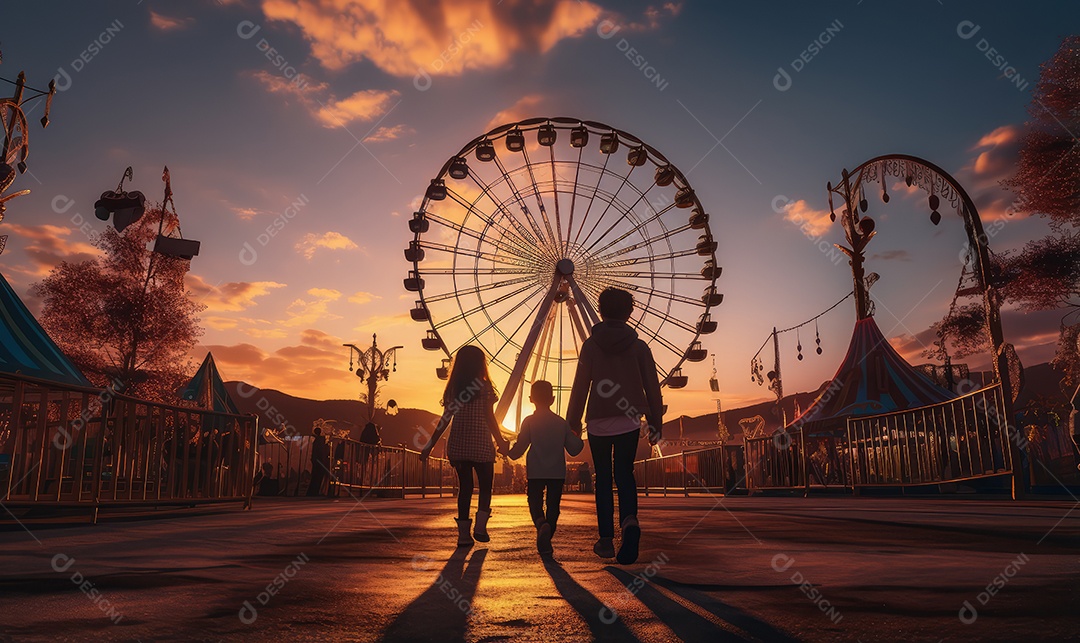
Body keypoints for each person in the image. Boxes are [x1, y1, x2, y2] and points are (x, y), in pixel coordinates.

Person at [567, 287, 663, 565]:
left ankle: (606, 540)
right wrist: (656, 422)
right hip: (629, 418)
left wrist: (573, 420)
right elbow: (652, 389)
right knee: (625, 473)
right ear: (630, 313)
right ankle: (629, 522)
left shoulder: (590, 346)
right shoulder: (640, 347)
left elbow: (580, 385)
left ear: (600, 310)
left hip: (598, 419)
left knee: (603, 478)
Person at [420, 345, 511, 547]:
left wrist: (429, 445)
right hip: (481, 445)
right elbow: (490, 419)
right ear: (480, 365)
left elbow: (444, 420)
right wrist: (501, 442)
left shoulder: (454, 389)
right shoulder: (485, 388)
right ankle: (480, 527)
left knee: (465, 488)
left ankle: (463, 535)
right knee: (486, 486)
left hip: (459, 445)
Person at [507, 380, 584, 555]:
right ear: (552, 399)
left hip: (535, 471)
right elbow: (574, 449)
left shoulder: (529, 421)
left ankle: (541, 524)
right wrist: (576, 434)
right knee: (553, 505)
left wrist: (507, 452)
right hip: (557, 471)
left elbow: (520, 448)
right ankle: (547, 535)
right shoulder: (561, 423)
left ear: (530, 399)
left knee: (534, 501)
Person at [306, 426, 330, 497]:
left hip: (316, 461)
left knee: (315, 476)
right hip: (320, 461)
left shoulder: (315, 440)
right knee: (319, 476)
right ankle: (317, 491)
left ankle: (313, 491)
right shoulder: (321, 441)